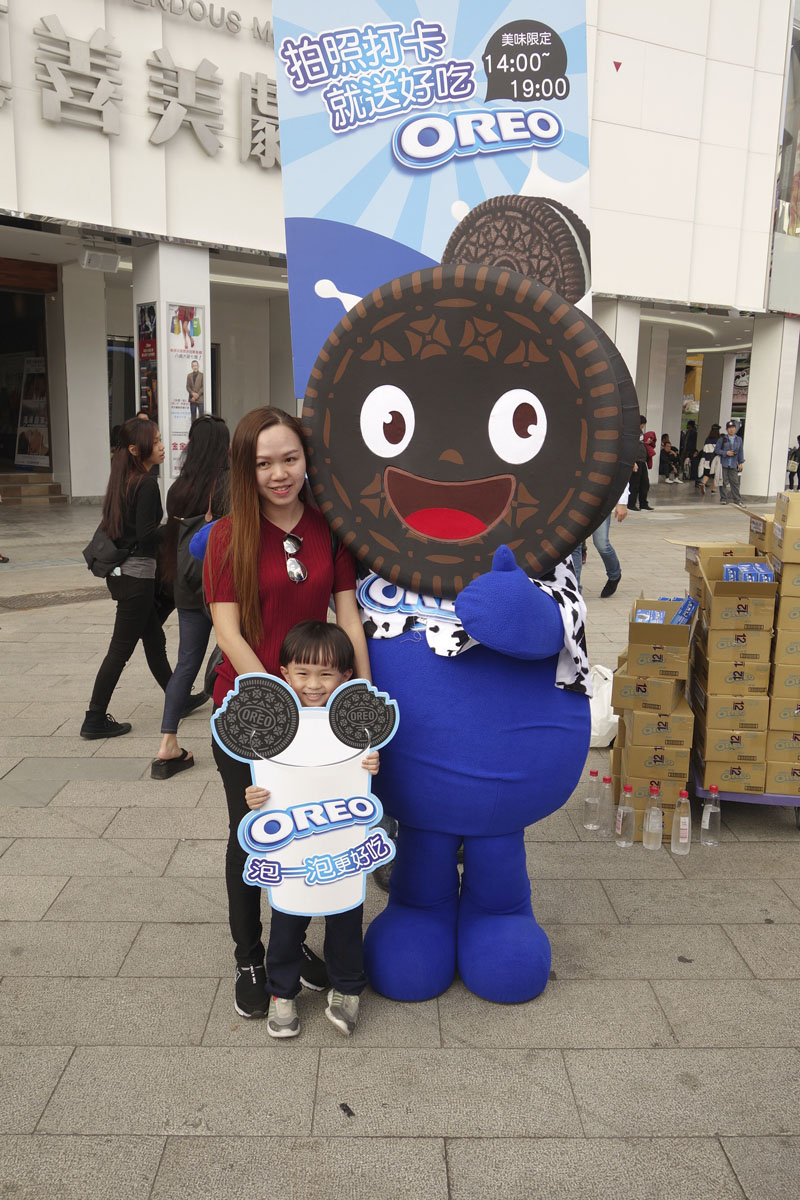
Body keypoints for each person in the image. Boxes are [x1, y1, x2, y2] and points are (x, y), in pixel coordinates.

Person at [203, 405, 372, 1021]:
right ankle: (251, 957)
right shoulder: (227, 536)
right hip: (250, 710)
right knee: (253, 834)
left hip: (321, 708)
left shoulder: (330, 528)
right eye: (263, 463)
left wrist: (360, 706)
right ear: (244, 470)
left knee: (314, 828)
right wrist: (279, 702)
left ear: (307, 460)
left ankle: (293, 945)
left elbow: (348, 615)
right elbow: (226, 629)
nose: (279, 474)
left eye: (289, 459)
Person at [243, 621, 379, 1038]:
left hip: (341, 843)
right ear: (284, 673)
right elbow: (262, 782)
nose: (313, 684)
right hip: (292, 848)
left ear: (346, 677)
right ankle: (281, 992)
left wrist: (373, 765)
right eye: (302, 673)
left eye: (325, 674)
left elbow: (363, 778)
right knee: (286, 919)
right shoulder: (272, 730)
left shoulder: (355, 728)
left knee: (344, 914)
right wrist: (256, 798)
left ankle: (347, 987)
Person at [81, 419, 177, 738]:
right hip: (137, 576)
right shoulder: (147, 483)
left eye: (162, 439)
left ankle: (178, 697)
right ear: (137, 450)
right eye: (157, 441)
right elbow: (147, 536)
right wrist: (177, 527)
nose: (162, 446)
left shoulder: (123, 479)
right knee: (120, 650)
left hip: (124, 575)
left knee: (154, 639)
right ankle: (94, 718)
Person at [151, 415, 230, 779]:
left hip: (185, 584)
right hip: (221, 585)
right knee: (235, 651)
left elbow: (173, 541)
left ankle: (168, 742)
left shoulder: (177, 488)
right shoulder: (226, 485)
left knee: (186, 663)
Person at [571, 487, 628, 596]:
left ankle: (614, 575)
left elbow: (621, 471)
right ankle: (575, 590)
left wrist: (622, 502)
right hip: (576, 502)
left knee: (602, 544)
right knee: (574, 546)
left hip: (600, 502)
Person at [715, 419, 745, 505]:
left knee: (735, 482)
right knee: (723, 481)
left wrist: (740, 463)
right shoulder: (722, 439)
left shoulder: (739, 439)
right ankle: (723, 498)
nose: (731, 430)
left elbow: (740, 451)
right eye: (729, 428)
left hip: (733, 464)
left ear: (735, 428)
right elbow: (716, 450)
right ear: (726, 429)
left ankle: (737, 500)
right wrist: (726, 453)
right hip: (723, 463)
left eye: (733, 428)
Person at [628, 415, 654, 511]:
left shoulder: (640, 433)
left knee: (644, 483)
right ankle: (631, 503)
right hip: (636, 461)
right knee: (634, 483)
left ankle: (643, 503)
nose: (643, 427)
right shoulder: (632, 432)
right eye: (642, 425)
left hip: (642, 461)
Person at [696, 429, 719, 496]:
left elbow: (704, 450)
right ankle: (713, 490)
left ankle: (703, 483)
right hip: (715, 460)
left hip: (707, 459)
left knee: (707, 474)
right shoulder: (719, 440)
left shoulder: (707, 440)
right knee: (715, 475)